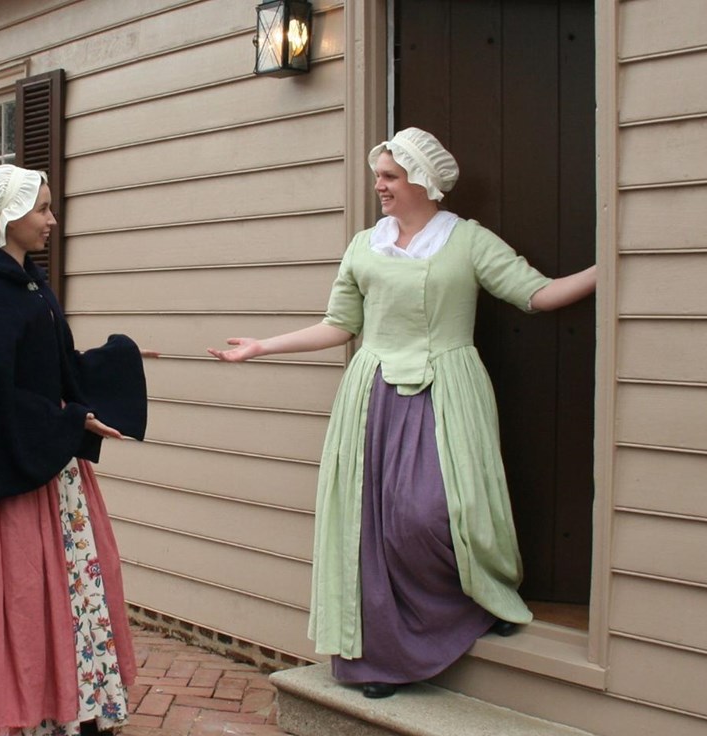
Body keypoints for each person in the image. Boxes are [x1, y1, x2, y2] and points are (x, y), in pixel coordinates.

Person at [209, 127, 595, 700]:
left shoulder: (467, 241)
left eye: (389, 176)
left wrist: (608, 268)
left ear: (422, 181)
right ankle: (383, 660)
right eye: (380, 176)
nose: (379, 186)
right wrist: (263, 346)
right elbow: (339, 325)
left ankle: (480, 602)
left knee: (434, 515)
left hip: (448, 390)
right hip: (374, 396)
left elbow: (536, 294)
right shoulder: (366, 246)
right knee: (375, 528)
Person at [0, 164, 151, 736]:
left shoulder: (31, 284)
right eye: (42, 208)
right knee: (29, 603)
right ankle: (27, 735)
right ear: (9, 218)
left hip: (57, 472)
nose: (51, 220)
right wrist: (71, 419)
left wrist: (119, 363)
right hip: (18, 477)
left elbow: (57, 369)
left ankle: (91, 713)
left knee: (87, 591)